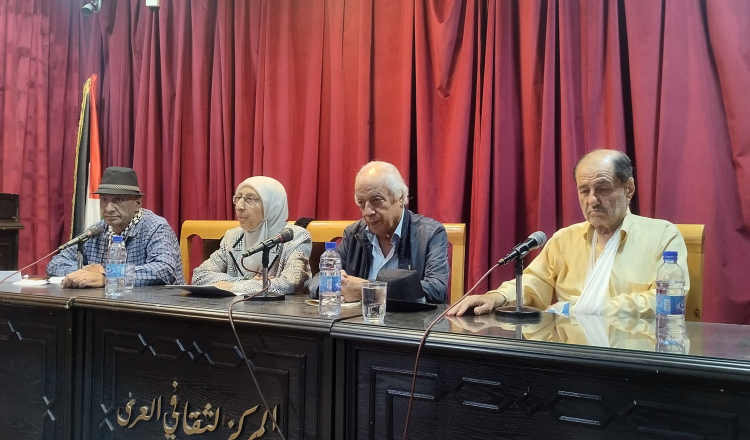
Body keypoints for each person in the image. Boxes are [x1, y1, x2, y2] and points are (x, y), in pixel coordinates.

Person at [449, 149, 689, 318]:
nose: (592, 200)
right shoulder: (565, 239)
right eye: (584, 190)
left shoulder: (662, 236)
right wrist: (497, 297)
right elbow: (535, 282)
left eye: (603, 189)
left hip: (633, 354)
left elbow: (665, 301)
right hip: (571, 352)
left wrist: (585, 309)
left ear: (629, 189)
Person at [308, 161, 450, 303]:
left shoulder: (430, 233)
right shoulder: (354, 234)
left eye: (376, 200)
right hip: (358, 317)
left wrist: (365, 289)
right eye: (361, 203)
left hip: (409, 317)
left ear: (400, 198)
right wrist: (334, 283)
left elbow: (436, 289)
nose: (367, 212)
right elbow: (317, 281)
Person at [47, 167, 184, 288]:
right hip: (107, 303)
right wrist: (84, 272)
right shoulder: (97, 230)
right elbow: (55, 264)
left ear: (137, 203)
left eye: (118, 200)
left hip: (155, 305)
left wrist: (108, 275)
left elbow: (164, 270)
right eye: (104, 200)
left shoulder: (156, 227)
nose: (108, 209)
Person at [192, 176, 312, 295]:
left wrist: (234, 286)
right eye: (238, 198)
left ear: (272, 205)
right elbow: (200, 276)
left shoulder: (294, 236)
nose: (239, 206)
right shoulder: (233, 237)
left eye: (250, 199)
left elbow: (292, 283)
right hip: (234, 305)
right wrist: (244, 282)